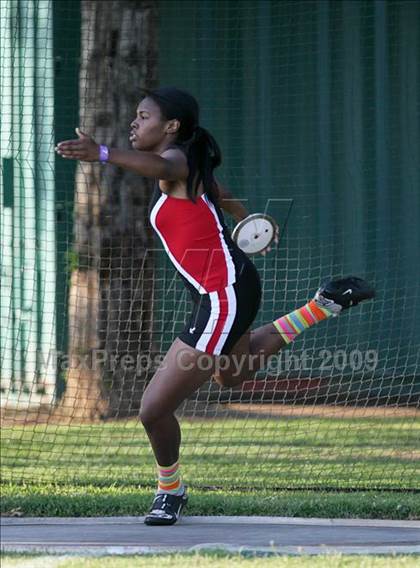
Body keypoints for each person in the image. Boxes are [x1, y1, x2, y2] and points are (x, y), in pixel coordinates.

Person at [56, 86, 375, 526]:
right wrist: (248, 220)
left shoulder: (177, 162)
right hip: (226, 289)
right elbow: (218, 191)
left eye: (143, 116)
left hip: (224, 294)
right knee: (234, 375)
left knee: (153, 408)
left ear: (171, 126)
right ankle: (322, 305)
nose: (134, 122)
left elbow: (159, 165)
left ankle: (170, 491)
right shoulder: (190, 168)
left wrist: (103, 152)